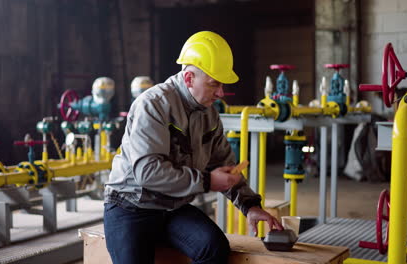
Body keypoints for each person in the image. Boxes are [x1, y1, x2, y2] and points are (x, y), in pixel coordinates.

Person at [103, 31, 283, 264]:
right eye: (214, 84)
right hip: (130, 206)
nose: (220, 93)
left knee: (214, 248)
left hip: (172, 207)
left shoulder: (209, 114)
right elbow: (148, 173)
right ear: (189, 78)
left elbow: (225, 165)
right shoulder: (153, 105)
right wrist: (207, 181)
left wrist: (250, 205)